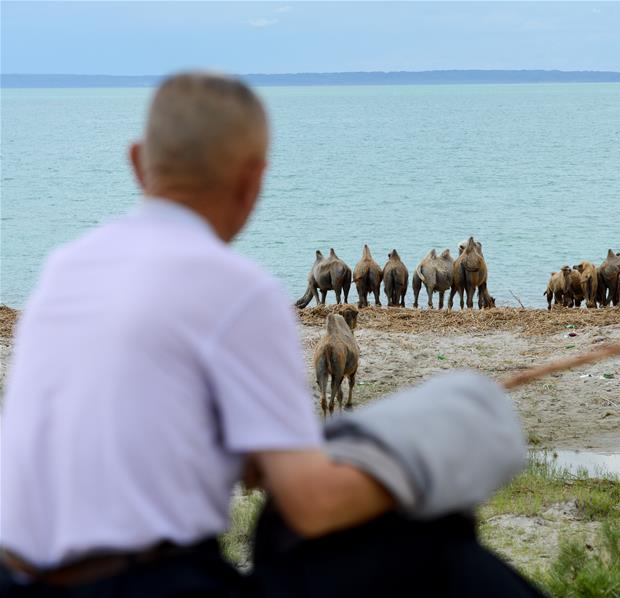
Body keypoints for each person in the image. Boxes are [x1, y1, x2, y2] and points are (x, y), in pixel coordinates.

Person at [0, 72, 541, 597]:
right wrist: (444, 445)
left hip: (17, 575)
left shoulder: (62, 271)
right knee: (431, 550)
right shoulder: (237, 290)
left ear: (138, 162)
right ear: (255, 177)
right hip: (144, 581)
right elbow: (313, 505)